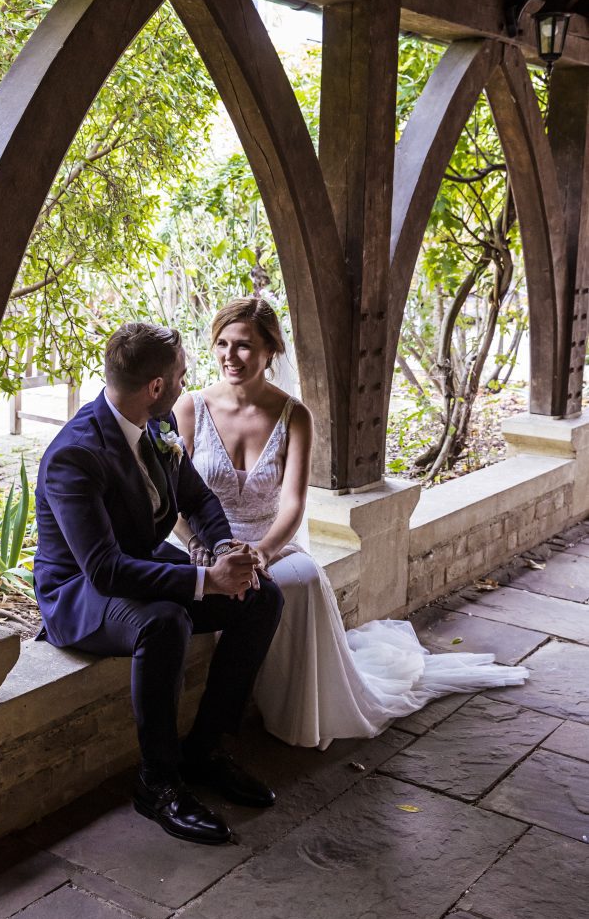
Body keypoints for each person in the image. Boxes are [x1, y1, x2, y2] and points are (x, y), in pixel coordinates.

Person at [174, 297, 528, 750]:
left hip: (269, 540)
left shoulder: (292, 415)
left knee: (297, 580)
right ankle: (217, 733)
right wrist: (200, 547)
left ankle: (295, 708)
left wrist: (262, 551)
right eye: (222, 343)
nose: (229, 356)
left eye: (243, 346)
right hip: (204, 542)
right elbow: (176, 503)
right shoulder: (190, 408)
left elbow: (293, 505)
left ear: (270, 352)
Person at [33, 322, 284, 845]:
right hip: (81, 592)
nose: (188, 380)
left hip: (142, 564)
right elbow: (103, 569)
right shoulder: (75, 455)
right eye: (181, 374)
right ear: (155, 385)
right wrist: (202, 582)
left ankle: (206, 751)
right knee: (165, 621)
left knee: (261, 598)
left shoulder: (159, 423)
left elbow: (198, 499)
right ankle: (158, 783)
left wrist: (223, 553)